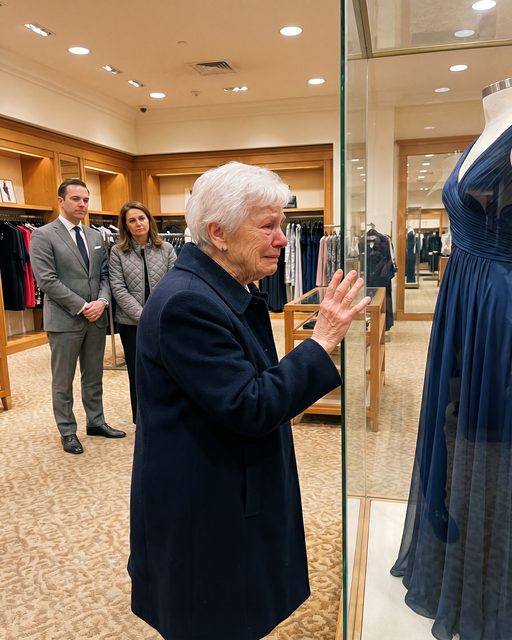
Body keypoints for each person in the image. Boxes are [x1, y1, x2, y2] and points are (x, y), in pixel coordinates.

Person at [128, 161, 371, 640]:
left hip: (223, 480)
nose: (282, 239)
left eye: (282, 225)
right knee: (212, 615)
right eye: (268, 226)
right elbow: (250, 404)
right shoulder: (187, 303)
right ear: (218, 233)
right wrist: (321, 341)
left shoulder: (220, 289)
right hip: (204, 503)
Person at [391, 80, 512, 638]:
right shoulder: (488, 128)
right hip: (465, 294)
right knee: (453, 420)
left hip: (496, 301)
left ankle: (490, 577)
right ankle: (455, 556)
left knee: (488, 434)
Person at [30, 179, 126, 454]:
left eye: (85, 199)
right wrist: (83, 306)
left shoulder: (95, 236)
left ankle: (96, 421)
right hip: (65, 320)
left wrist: (102, 302)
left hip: (96, 318)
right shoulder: (43, 235)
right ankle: (67, 431)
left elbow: (105, 274)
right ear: (61, 201)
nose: (82, 204)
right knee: (63, 380)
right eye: (75, 199)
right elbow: (47, 280)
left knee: (93, 375)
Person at [109, 201, 176, 424]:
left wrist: (157, 314)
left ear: (149, 220)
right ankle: (141, 419)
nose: (138, 223)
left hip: (163, 320)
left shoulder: (166, 249)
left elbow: (174, 283)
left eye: (141, 218)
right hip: (131, 323)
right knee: (137, 371)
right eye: (132, 220)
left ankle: (165, 415)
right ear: (125, 226)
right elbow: (118, 288)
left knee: (166, 368)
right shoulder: (117, 252)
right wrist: (144, 316)